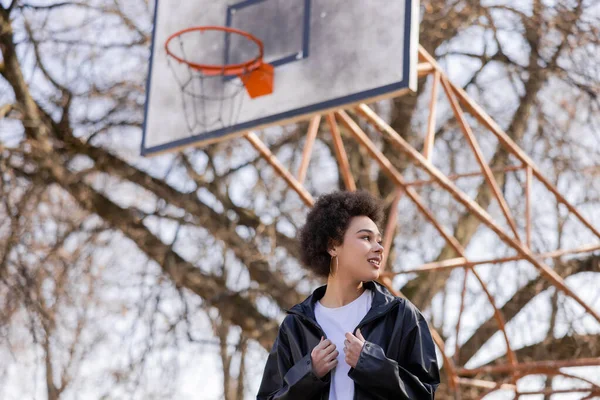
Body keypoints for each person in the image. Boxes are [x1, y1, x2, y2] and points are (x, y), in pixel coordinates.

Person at [257, 190, 440, 399]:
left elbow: (425, 394)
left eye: (379, 240)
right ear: (333, 245)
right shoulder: (295, 326)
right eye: (366, 238)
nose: (379, 248)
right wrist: (309, 374)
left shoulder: (401, 315)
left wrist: (372, 364)